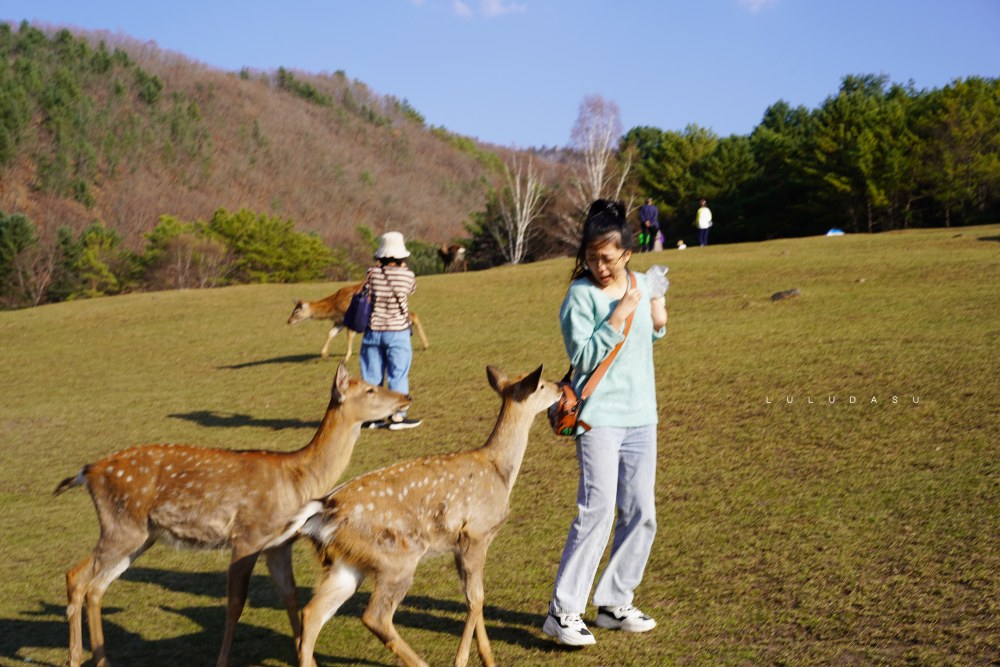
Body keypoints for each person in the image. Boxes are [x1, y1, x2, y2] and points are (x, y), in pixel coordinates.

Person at [543, 199, 668, 647]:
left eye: (608, 258)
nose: (599, 266)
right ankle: (563, 612)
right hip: (598, 419)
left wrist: (656, 316)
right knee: (595, 511)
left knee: (641, 512)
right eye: (592, 257)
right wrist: (617, 315)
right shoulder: (580, 296)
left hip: (641, 415)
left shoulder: (640, 281)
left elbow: (650, 334)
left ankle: (615, 602)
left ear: (627, 253)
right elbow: (583, 358)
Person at [360, 231, 421, 430]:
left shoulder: (372, 273)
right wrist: (403, 268)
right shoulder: (407, 275)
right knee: (398, 374)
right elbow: (411, 290)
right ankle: (397, 417)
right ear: (401, 255)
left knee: (371, 377)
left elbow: (365, 292)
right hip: (398, 331)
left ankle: (372, 417)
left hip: (372, 331)